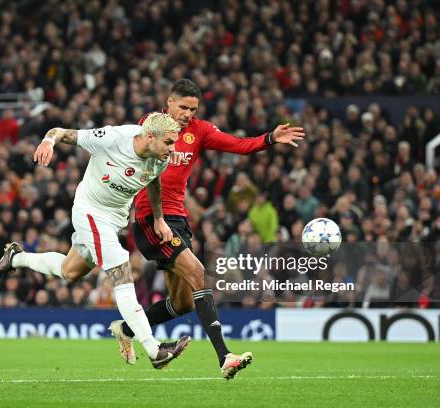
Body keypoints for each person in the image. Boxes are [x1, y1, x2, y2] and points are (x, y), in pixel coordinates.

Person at [110, 79, 305, 379]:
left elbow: (237, 145)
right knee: (200, 275)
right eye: (183, 107)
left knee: (184, 302)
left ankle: (125, 329)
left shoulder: (199, 131)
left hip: (178, 220)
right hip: (152, 220)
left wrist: (268, 139)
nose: (188, 113)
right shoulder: (150, 126)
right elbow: (140, 169)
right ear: (170, 102)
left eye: (193, 109)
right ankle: (225, 356)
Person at [0, 112, 190, 368]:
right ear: (149, 137)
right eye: (169, 143)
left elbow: (153, 183)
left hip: (114, 219)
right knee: (121, 270)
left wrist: (159, 219)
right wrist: (49, 142)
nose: (173, 150)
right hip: (90, 211)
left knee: (69, 271)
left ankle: (16, 258)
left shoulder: (158, 157)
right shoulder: (112, 138)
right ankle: (154, 350)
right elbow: (60, 131)